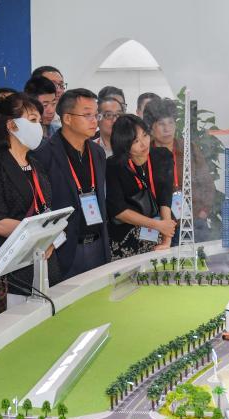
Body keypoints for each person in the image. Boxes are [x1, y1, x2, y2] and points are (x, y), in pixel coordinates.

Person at [0, 93, 57, 308]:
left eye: (39, 121)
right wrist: (41, 237)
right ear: (11, 125)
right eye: (32, 120)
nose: (38, 127)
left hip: (44, 264)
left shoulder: (36, 164)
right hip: (14, 271)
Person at [33, 89, 110, 280]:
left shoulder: (97, 152)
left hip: (98, 245)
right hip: (65, 249)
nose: (94, 121)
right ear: (67, 118)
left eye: (96, 115)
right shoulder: (44, 155)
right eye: (87, 115)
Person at [143, 98, 216, 241]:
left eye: (171, 122)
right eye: (161, 124)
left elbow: (207, 183)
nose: (167, 129)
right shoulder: (145, 153)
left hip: (194, 221)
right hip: (161, 226)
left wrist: (203, 212)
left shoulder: (189, 148)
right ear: (151, 127)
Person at [107, 115, 176, 259]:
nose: (144, 144)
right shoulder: (113, 165)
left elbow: (165, 197)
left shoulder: (162, 156)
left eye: (145, 135)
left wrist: (166, 238)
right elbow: (119, 211)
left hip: (160, 234)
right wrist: (157, 225)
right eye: (136, 141)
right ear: (123, 144)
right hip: (127, 239)